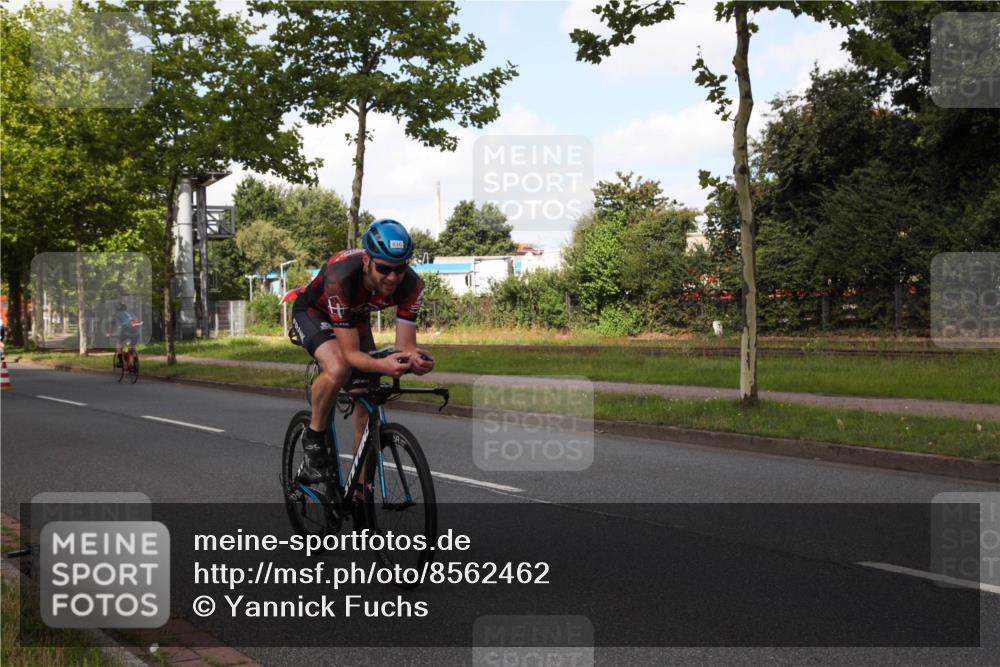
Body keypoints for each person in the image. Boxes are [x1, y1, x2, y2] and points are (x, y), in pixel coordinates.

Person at [287, 219, 434, 484]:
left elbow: (405, 346)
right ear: (367, 260)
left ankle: (359, 495)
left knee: (367, 409)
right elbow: (350, 355)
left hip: (354, 317)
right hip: (314, 312)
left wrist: (415, 360)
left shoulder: (412, 286)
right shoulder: (340, 278)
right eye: (384, 269)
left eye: (400, 269)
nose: (392, 277)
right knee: (339, 367)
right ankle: (314, 437)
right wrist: (383, 365)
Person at [112, 303, 139, 368]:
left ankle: (121, 362)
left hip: (125, 331)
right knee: (132, 347)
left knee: (119, 345)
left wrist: (110, 333)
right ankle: (135, 362)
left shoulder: (117, 314)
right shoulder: (131, 313)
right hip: (136, 331)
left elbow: (113, 325)